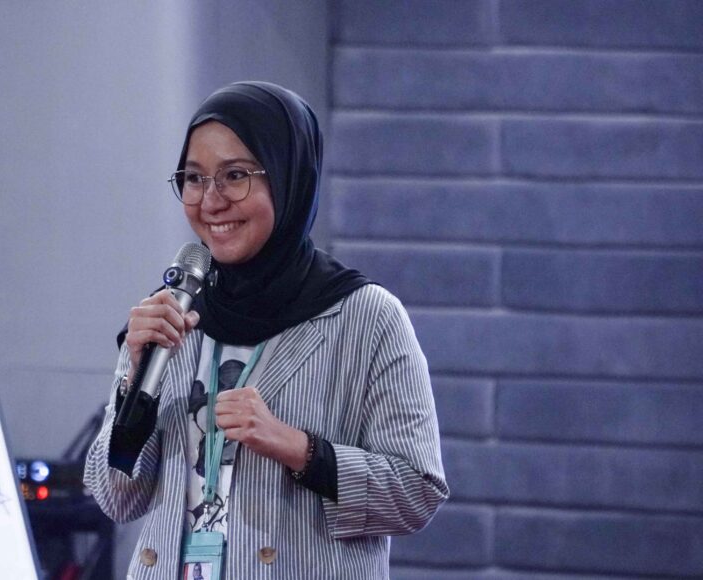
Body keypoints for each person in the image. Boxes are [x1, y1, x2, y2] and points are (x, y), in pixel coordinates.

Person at [84, 81, 448, 579]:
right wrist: (135, 382)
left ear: (286, 177)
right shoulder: (172, 315)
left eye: (235, 175)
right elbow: (115, 498)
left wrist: (297, 448)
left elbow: (417, 492)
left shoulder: (366, 317)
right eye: (194, 178)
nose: (211, 200)